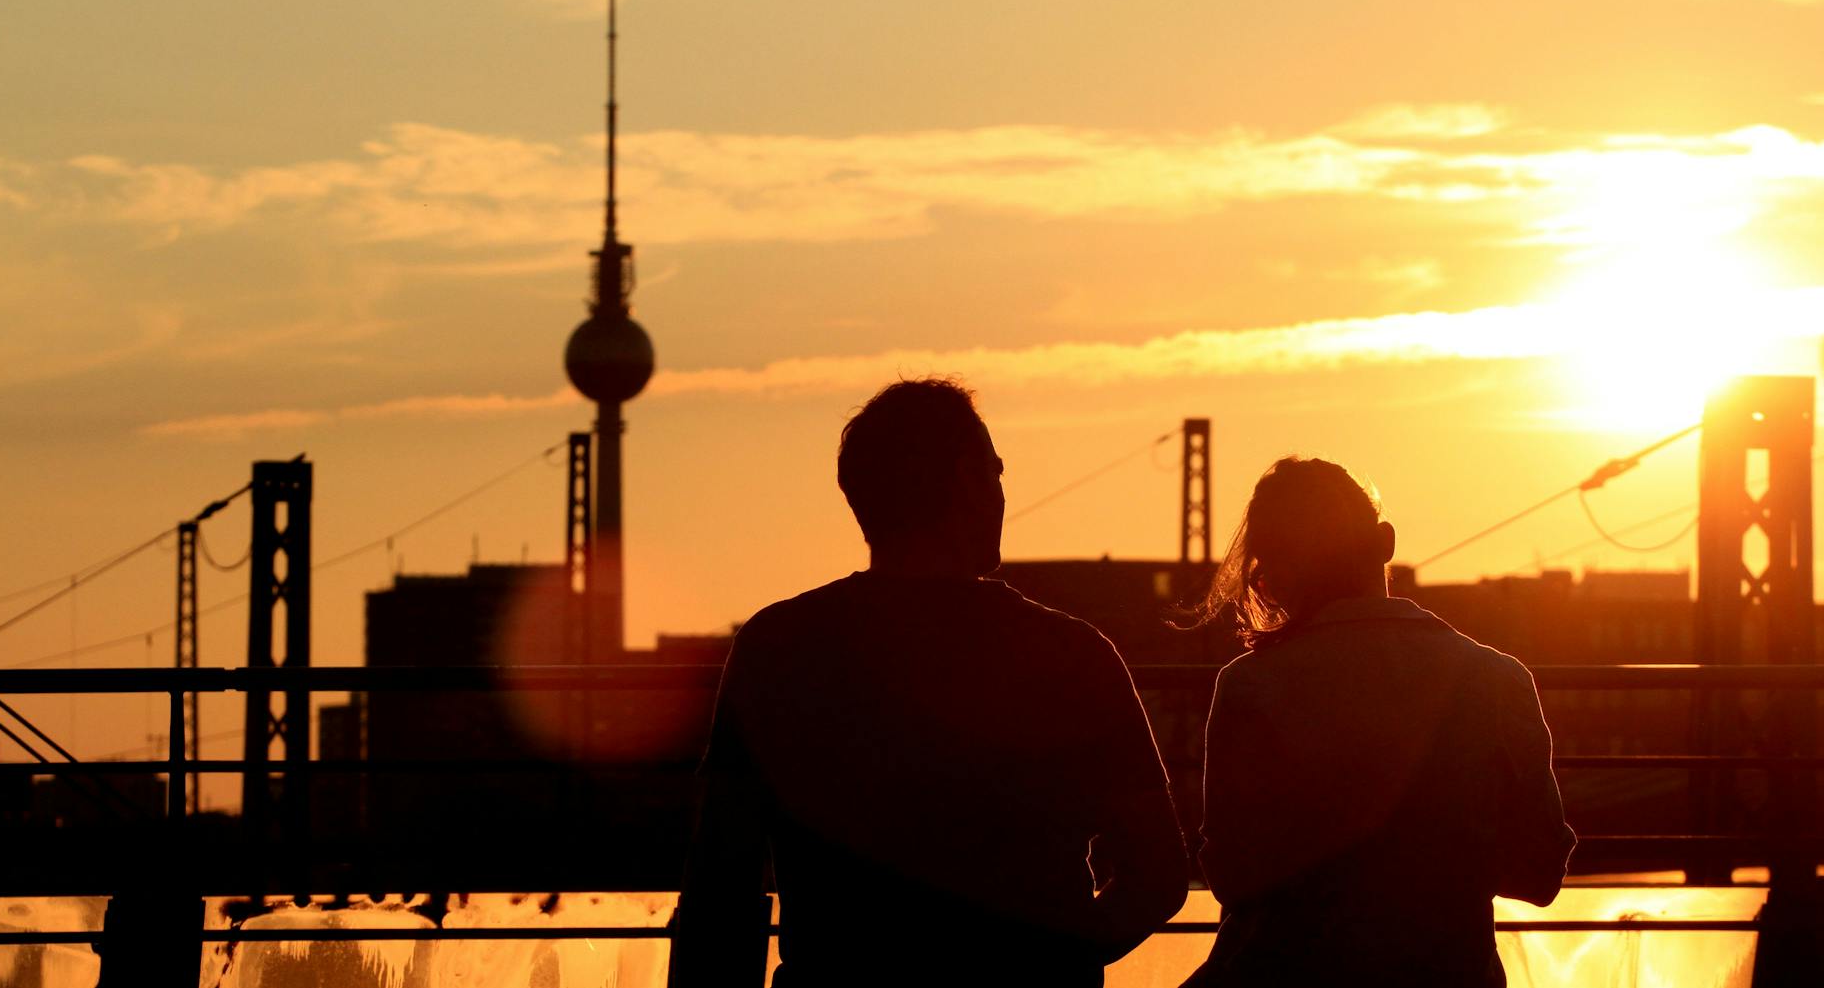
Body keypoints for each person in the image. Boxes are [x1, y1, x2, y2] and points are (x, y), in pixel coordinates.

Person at [672, 377, 1188, 988]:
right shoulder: (1072, 655)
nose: (1001, 490)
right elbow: (1157, 872)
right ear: (970, 481)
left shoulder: (774, 648)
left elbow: (721, 880)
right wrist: (1059, 956)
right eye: (996, 470)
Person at [1185, 457, 1575, 988]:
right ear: (1386, 542)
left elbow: (1232, 875)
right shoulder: (1498, 679)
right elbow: (1540, 873)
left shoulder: (1251, 687)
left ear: (1270, 567)